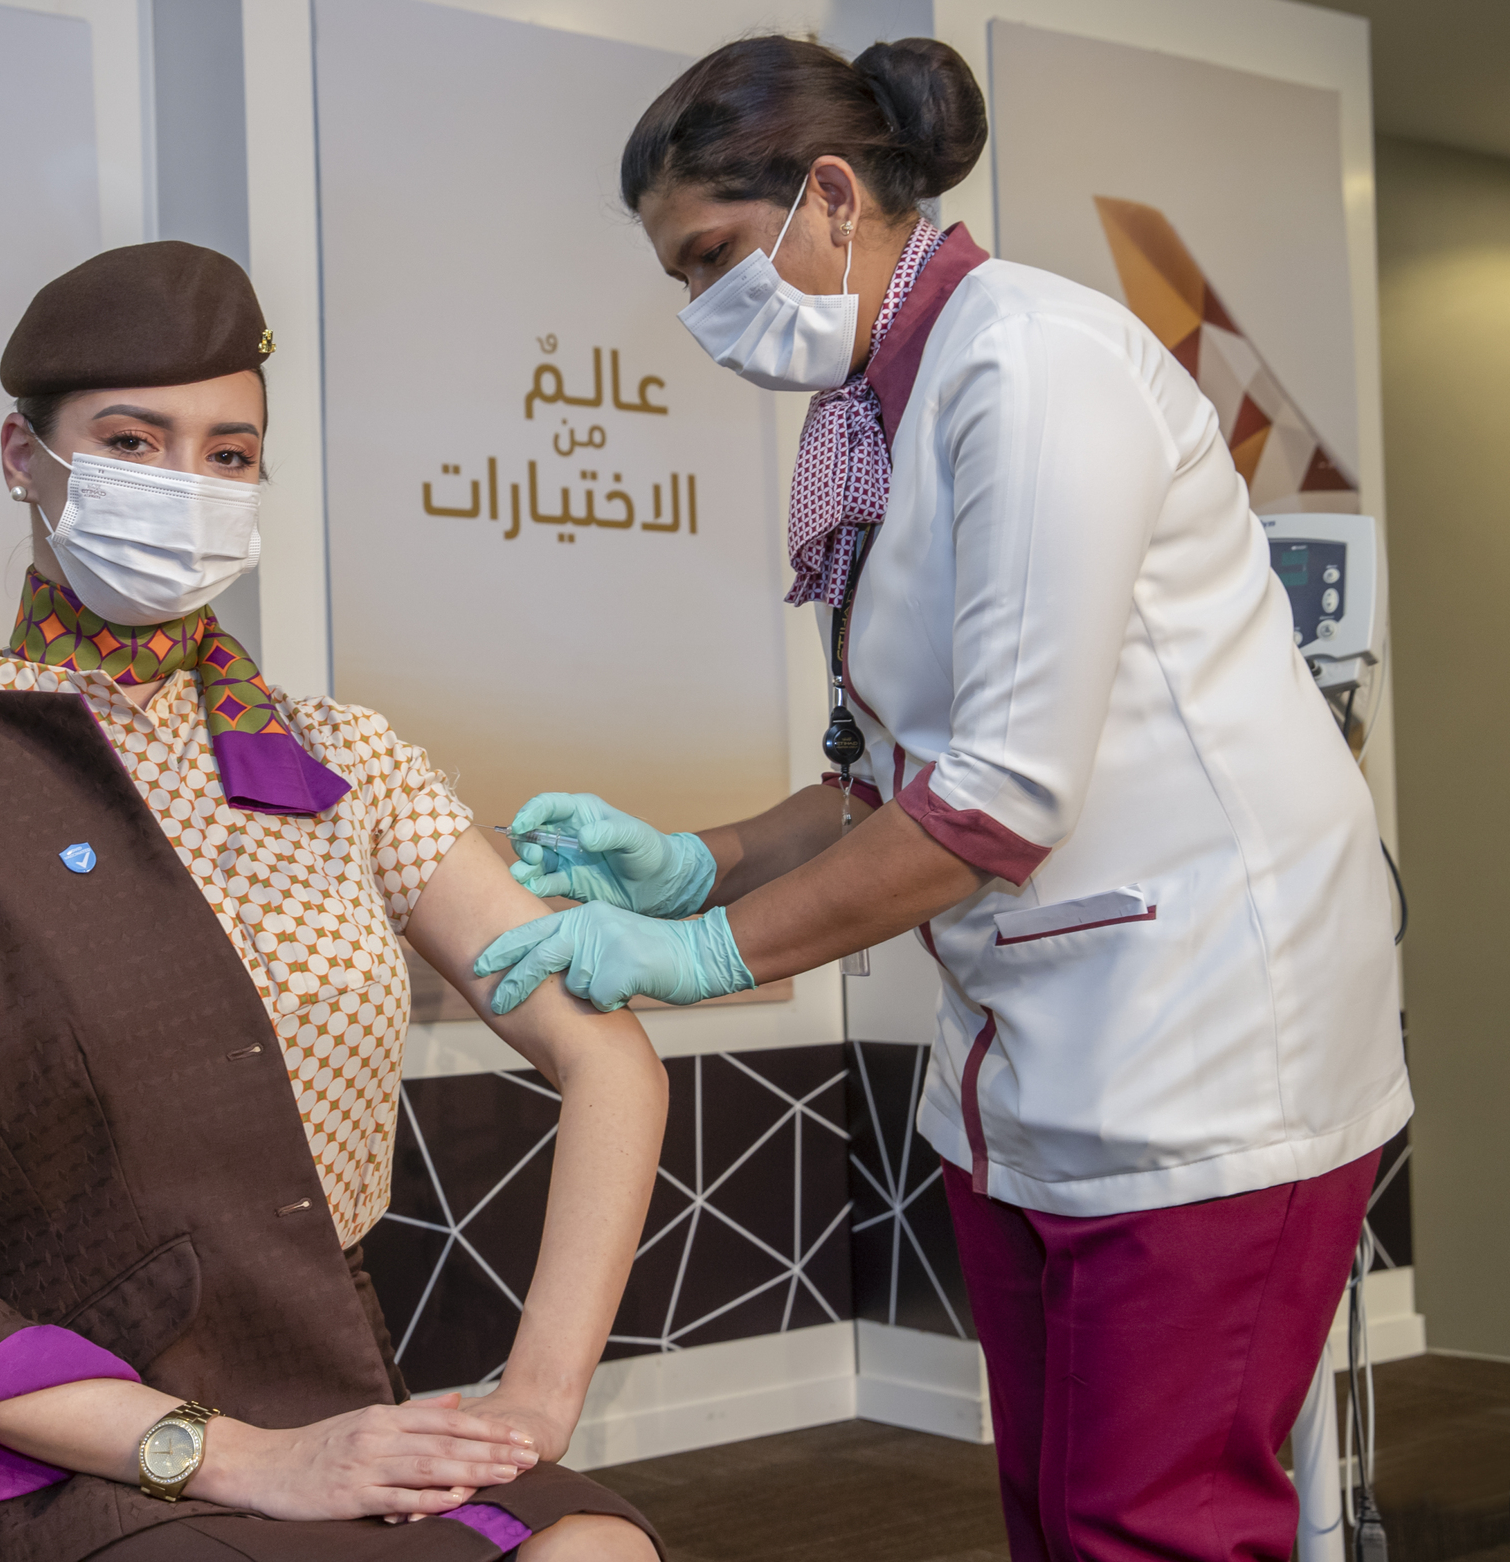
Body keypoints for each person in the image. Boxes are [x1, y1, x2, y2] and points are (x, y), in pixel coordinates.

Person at [476, 36, 1411, 1562]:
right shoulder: (878, 419)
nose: (700, 308)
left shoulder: (1031, 367)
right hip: (1039, 1052)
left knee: (1145, 1527)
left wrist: (705, 956)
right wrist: (696, 863)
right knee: (1056, 1515)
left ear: (832, 195)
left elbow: (996, 803)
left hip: (1206, 1046)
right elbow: (888, 782)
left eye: (711, 255)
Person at [0, 242, 666, 1562]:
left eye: (229, 454)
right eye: (133, 441)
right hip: (47, 1449)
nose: (186, 484)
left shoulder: (345, 764)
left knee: (596, 1548)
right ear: (21, 457)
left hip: (320, 1387)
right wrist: (246, 1459)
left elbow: (606, 1058)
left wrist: (537, 1401)